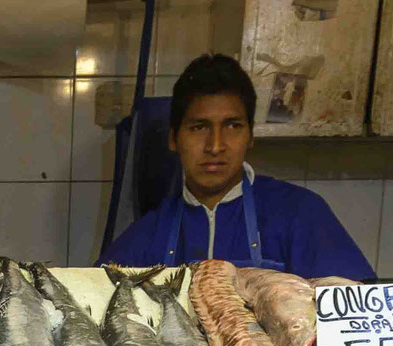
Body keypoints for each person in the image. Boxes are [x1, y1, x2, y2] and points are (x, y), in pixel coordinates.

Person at [101, 53, 375, 279]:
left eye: (232, 126)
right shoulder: (147, 235)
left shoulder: (300, 214)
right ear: (173, 139)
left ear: (251, 136)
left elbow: (357, 315)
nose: (215, 146)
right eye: (199, 127)